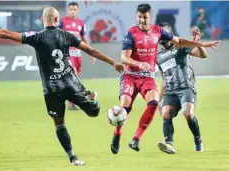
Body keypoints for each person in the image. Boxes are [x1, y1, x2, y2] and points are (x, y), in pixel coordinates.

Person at [0, 7, 124, 166]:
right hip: (71, 84)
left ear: (42, 20)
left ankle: (73, 158)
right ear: (57, 20)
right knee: (94, 111)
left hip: (51, 89)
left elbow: (6, 34)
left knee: (59, 124)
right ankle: (91, 99)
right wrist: (113, 63)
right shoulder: (67, 35)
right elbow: (91, 51)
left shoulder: (36, 36)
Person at [110, 3, 220, 154]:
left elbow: (190, 48)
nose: (142, 20)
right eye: (140, 17)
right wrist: (141, 66)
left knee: (174, 110)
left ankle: (195, 139)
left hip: (172, 83)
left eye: (145, 17)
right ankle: (123, 136)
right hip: (147, 81)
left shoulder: (169, 40)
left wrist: (201, 43)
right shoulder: (152, 50)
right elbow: (127, 59)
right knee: (139, 110)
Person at [157, 23, 207, 154]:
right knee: (165, 113)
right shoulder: (158, 58)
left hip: (186, 88)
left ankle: (198, 140)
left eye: (165, 33)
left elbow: (203, 55)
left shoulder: (181, 46)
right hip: (170, 92)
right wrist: (160, 99)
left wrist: (197, 43)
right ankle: (169, 144)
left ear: (170, 34)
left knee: (188, 114)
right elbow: (164, 79)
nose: (162, 36)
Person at [58, 1, 96, 110]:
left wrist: (91, 53)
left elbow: (84, 39)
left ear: (77, 11)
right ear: (68, 10)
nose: (73, 11)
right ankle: (72, 102)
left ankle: (67, 97)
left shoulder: (81, 23)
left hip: (77, 54)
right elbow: (57, 34)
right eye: (71, 9)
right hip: (67, 53)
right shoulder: (62, 22)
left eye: (75, 9)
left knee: (76, 77)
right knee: (73, 75)